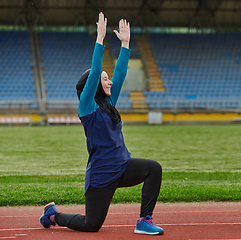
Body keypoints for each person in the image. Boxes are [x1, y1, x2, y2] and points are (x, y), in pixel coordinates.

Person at [39, 12, 164, 235]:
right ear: (94, 84)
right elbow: (96, 71)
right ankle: (52, 215)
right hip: (101, 175)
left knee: (153, 169)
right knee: (92, 225)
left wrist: (125, 44)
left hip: (123, 166)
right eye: (105, 80)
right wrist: (100, 39)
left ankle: (144, 220)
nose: (110, 81)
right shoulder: (87, 107)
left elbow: (121, 74)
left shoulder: (109, 102)